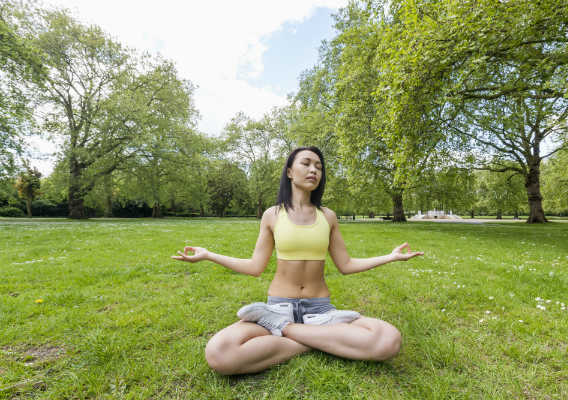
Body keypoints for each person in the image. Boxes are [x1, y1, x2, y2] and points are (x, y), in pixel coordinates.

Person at [171, 146, 424, 375]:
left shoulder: (328, 216)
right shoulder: (272, 215)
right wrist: (209, 255)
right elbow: (255, 267)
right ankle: (324, 341)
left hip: (320, 312)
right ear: (290, 172)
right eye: (306, 163)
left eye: (319, 166)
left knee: (387, 340)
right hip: (278, 308)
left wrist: (390, 257)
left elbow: (346, 266)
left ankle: (289, 331)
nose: (314, 169)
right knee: (219, 353)